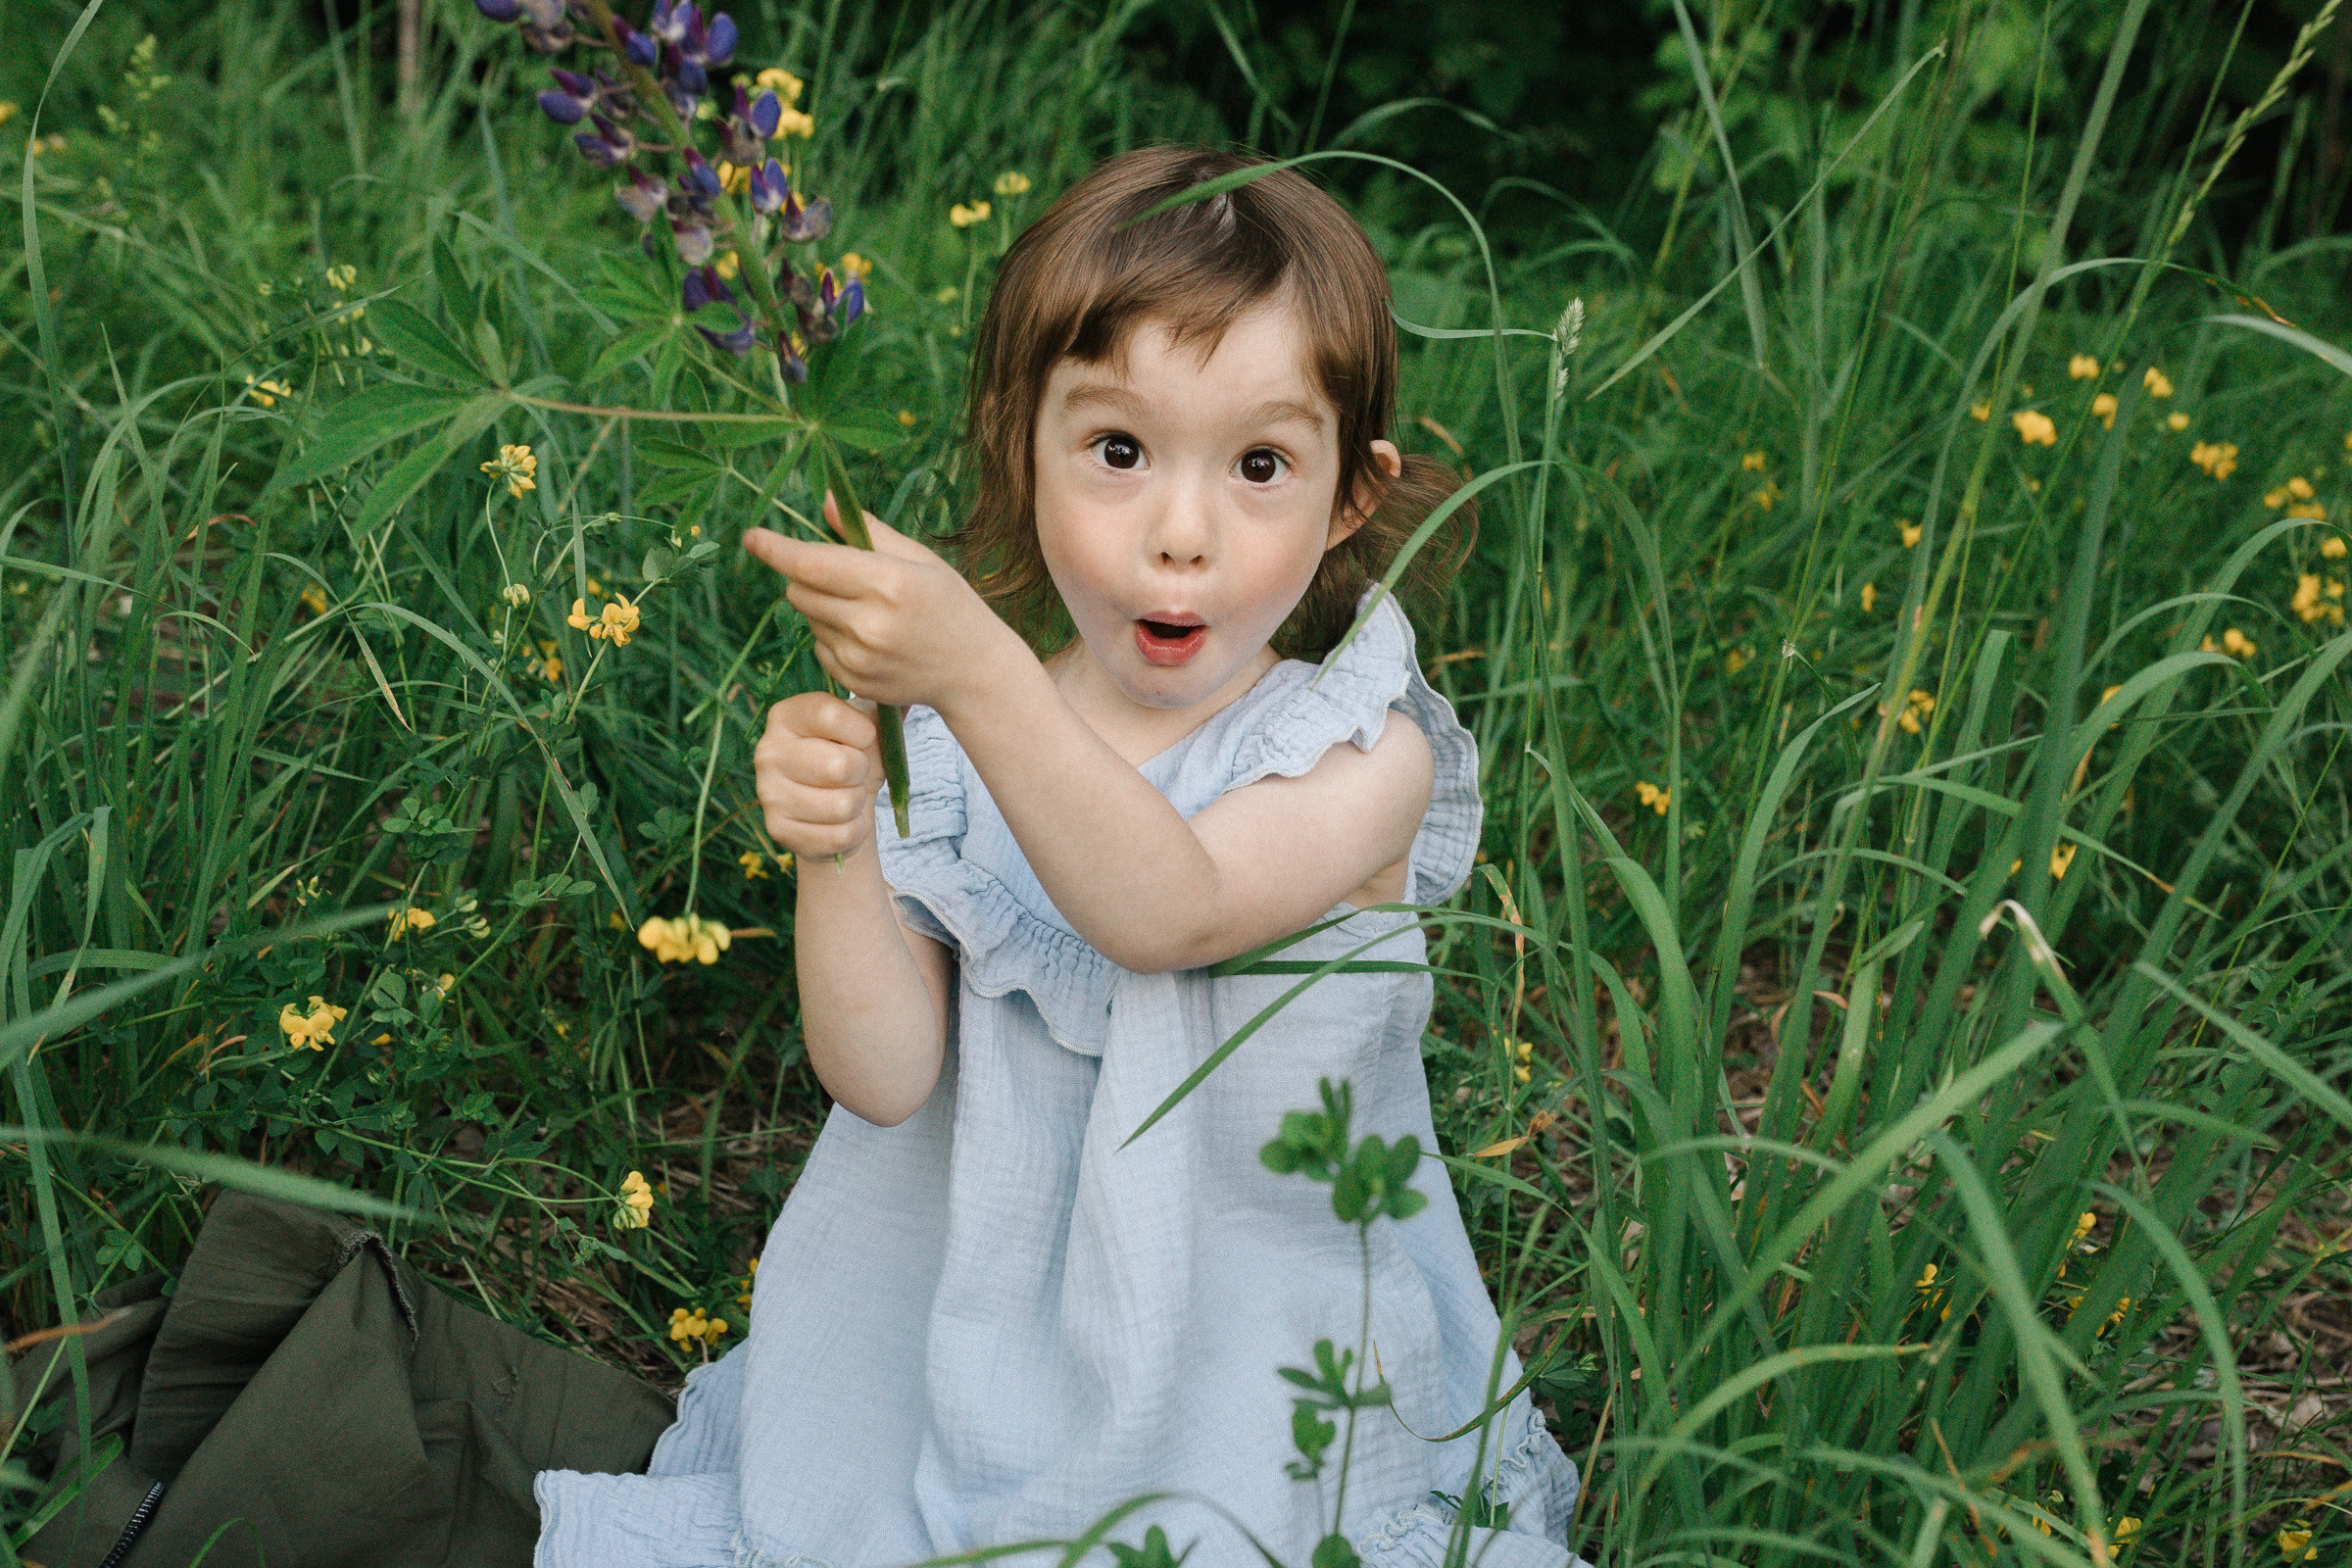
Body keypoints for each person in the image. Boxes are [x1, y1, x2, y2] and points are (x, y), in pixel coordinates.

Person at [533, 144, 1583, 1568]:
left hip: (1259, 1364)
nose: (1180, 535)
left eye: (1261, 466)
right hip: (969, 1350)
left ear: (1352, 496)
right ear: (1019, 443)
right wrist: (836, 852)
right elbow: (883, 1077)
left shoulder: (1354, 752)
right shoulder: (959, 744)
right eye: (1119, 451)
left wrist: (976, 671)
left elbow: (1171, 908)